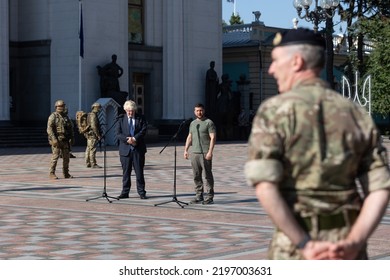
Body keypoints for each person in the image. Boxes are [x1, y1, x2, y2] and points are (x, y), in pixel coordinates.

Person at [244, 28, 390, 260]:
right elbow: (379, 188)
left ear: (296, 62)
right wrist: (355, 241)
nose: (271, 70)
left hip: (294, 248)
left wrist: (305, 244)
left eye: (275, 61)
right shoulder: (355, 113)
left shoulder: (274, 111)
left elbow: (265, 187)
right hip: (347, 247)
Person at [184, 103, 216, 205]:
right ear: (194, 112)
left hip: (205, 153)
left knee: (207, 175)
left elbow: (213, 138)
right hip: (195, 153)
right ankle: (199, 196)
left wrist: (210, 151)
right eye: (197, 111)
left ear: (204, 111)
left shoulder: (209, 123)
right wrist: (186, 150)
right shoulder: (193, 123)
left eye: (201, 110)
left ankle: (209, 196)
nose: (199, 112)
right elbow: (190, 137)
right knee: (196, 176)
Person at [116, 100, 148, 199]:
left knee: (139, 172)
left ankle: (141, 192)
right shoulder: (120, 119)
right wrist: (127, 140)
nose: (130, 113)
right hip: (125, 150)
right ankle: (125, 192)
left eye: (132, 111)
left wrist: (134, 139)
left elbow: (144, 130)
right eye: (128, 111)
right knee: (126, 173)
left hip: (138, 149)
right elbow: (118, 133)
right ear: (125, 110)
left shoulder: (140, 118)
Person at [47, 100, 75, 179]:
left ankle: (66, 173)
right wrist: (53, 139)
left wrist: (72, 138)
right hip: (57, 140)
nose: (61, 108)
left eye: (62, 106)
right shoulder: (53, 116)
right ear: (56, 107)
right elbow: (49, 129)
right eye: (59, 106)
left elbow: (70, 128)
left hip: (65, 140)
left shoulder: (66, 117)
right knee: (55, 157)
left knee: (66, 158)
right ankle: (52, 173)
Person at [83, 102, 102, 168]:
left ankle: (88, 162)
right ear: (95, 108)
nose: (99, 110)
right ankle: (93, 163)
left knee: (88, 148)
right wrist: (98, 135)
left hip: (89, 134)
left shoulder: (89, 114)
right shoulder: (93, 115)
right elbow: (94, 126)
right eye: (98, 108)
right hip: (92, 135)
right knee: (92, 149)